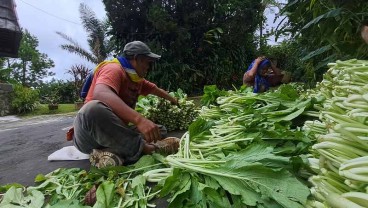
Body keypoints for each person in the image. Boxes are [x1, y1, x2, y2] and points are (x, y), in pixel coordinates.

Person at [72, 41, 180, 168]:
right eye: (147, 62)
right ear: (137, 59)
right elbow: (101, 93)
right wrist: (139, 120)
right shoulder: (113, 69)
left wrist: (174, 100)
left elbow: (155, 90)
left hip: (113, 133)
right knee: (92, 109)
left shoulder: (136, 79)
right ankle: (146, 149)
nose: (148, 67)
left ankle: (109, 154)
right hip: (90, 134)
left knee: (158, 130)